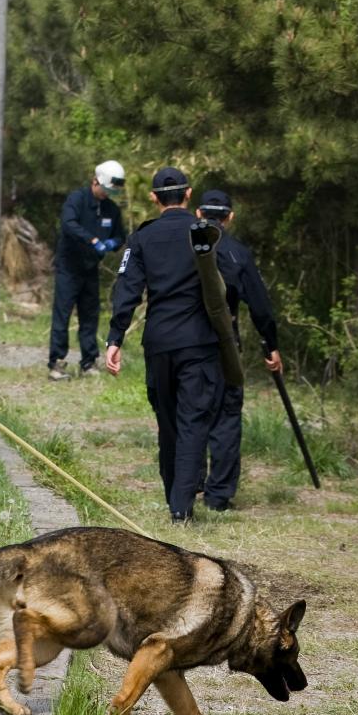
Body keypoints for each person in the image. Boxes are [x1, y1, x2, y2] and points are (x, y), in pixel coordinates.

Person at [105, 167, 222, 524]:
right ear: (189, 196)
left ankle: (175, 496)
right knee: (193, 422)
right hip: (199, 342)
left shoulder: (143, 238)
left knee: (168, 423)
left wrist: (115, 337)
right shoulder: (205, 234)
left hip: (159, 341)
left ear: (154, 199)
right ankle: (180, 506)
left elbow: (127, 289)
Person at [194, 190, 282, 511]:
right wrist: (270, 345)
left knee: (191, 414)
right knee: (227, 416)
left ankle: (190, 485)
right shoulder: (237, 254)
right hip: (225, 344)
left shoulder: (184, 249)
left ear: (199, 214)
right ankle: (218, 495)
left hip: (186, 343)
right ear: (229, 217)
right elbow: (261, 307)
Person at [48, 160, 127, 380]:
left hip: (91, 269)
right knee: (62, 316)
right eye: (105, 189)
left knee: (90, 317)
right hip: (68, 267)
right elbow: (69, 224)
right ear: (95, 181)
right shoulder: (77, 200)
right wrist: (92, 240)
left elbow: (120, 234)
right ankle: (57, 364)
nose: (106, 194)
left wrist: (113, 243)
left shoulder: (111, 208)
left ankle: (88, 362)